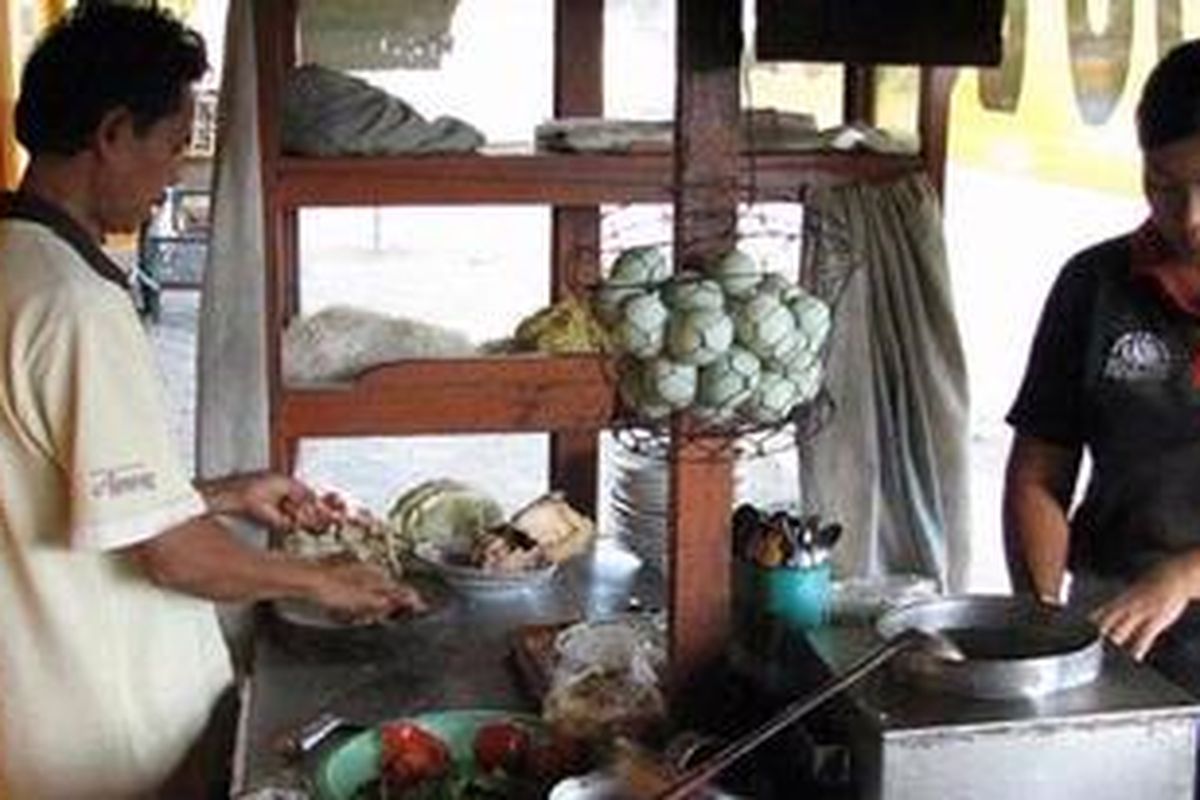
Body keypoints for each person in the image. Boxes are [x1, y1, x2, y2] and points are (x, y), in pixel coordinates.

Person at [0, 6, 422, 797]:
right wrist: (321, 579)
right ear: (113, 133)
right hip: (113, 742)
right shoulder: (74, 307)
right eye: (172, 144)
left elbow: (59, 493)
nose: (172, 175)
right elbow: (173, 555)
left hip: (32, 723)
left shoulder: (15, 268)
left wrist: (226, 494)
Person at [1003, 39, 1200, 696]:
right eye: (1164, 186)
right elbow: (1040, 475)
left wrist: (1184, 576)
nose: (1190, 218)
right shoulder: (1095, 285)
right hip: (1119, 621)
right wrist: (1042, 617)